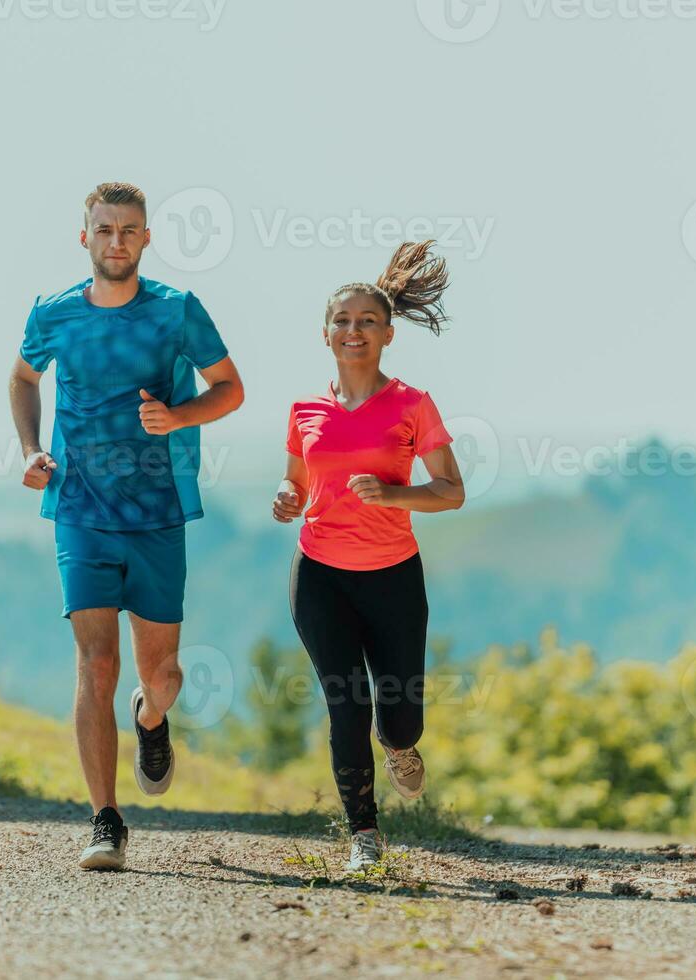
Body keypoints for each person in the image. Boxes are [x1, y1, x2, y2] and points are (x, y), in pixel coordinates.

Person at [10, 182, 244, 870]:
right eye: (104, 229)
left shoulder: (176, 311)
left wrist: (179, 417)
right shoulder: (52, 313)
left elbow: (230, 388)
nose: (116, 241)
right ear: (84, 237)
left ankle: (151, 716)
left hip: (156, 513)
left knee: (161, 671)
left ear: (146, 239)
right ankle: (105, 820)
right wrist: (31, 451)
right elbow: (23, 378)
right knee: (95, 661)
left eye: (129, 230)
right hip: (79, 508)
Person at [272, 241, 465, 872]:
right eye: (342, 321)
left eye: (366, 322)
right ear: (325, 333)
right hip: (320, 574)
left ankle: (401, 746)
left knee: (399, 712)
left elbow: (450, 490)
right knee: (343, 700)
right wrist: (286, 495)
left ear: (387, 334)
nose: (353, 331)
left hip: (392, 577)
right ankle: (364, 835)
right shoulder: (305, 410)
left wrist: (391, 493)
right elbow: (298, 481)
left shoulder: (412, 404)